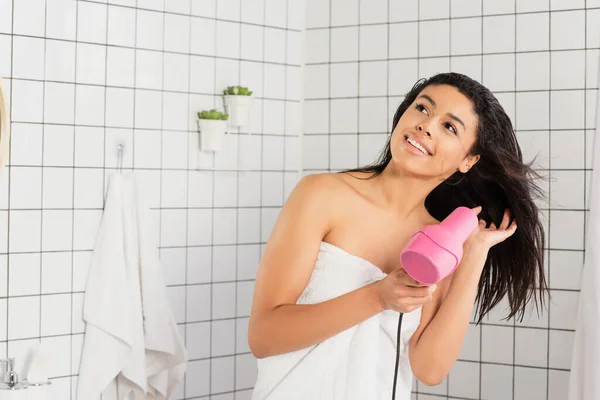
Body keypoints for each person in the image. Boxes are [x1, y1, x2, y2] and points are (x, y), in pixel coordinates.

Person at [247, 72, 549, 400]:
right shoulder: (322, 195)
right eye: (422, 108)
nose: (426, 125)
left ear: (468, 160)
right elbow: (264, 336)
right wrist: (378, 296)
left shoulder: (441, 241)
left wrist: (474, 252)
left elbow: (429, 369)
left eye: (449, 126)